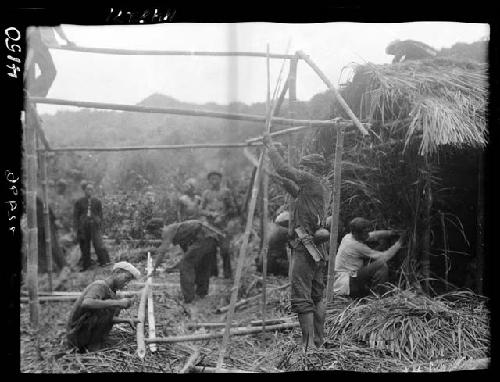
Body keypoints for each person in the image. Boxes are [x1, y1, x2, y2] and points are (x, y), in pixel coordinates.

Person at [262, 133, 331, 352]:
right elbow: (293, 188)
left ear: (310, 170)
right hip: (317, 249)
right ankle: (318, 341)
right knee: (316, 295)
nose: (301, 173)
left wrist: (271, 148)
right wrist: (278, 177)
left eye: (303, 169)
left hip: (305, 245)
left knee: (302, 296)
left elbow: (285, 171)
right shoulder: (318, 187)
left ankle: (308, 345)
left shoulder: (311, 181)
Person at [66, 261, 141, 351]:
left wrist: (126, 320)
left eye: (129, 281)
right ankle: (92, 346)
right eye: (126, 278)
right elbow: (87, 303)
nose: (126, 283)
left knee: (113, 306)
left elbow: (108, 318)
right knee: (113, 304)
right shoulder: (100, 285)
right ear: (117, 272)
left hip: (83, 333)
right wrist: (118, 303)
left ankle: (95, 341)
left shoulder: (112, 292)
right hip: (76, 335)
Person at [151, 220, 223, 303]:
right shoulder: (181, 232)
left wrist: (154, 269)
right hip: (211, 239)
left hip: (203, 238)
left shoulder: (167, 231)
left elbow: (162, 252)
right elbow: (187, 256)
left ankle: (189, 298)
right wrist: (172, 268)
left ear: (158, 230)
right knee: (201, 265)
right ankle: (201, 293)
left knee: (186, 266)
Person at [333, 217, 405, 298]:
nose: (367, 234)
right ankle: (378, 296)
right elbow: (385, 256)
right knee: (381, 265)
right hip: (347, 283)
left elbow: (373, 235)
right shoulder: (356, 246)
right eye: (365, 233)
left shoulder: (349, 237)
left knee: (369, 263)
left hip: (343, 280)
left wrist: (392, 233)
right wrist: (399, 242)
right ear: (357, 233)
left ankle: (368, 292)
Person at [200, 171, 236, 279]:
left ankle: (227, 275)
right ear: (209, 181)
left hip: (223, 227)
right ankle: (213, 274)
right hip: (210, 227)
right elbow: (200, 210)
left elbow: (233, 208)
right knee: (210, 250)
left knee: (225, 250)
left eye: (216, 178)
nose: (214, 181)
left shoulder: (226, 192)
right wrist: (210, 214)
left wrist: (222, 216)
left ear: (220, 180)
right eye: (211, 179)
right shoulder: (206, 193)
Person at [25, 26, 76, 97]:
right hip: (37, 39)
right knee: (50, 71)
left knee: (29, 73)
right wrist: (67, 40)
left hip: (31, 38)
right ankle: (30, 93)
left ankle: (31, 97)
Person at [73, 181, 110, 270]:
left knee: (98, 244)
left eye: (91, 189)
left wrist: (99, 223)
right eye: (88, 189)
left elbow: (100, 215)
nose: (90, 191)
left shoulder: (97, 201)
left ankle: (104, 262)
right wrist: (77, 228)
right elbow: (76, 216)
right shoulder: (79, 202)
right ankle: (86, 265)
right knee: (84, 245)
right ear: (84, 190)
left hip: (94, 225)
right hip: (83, 226)